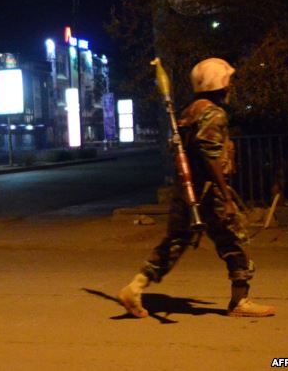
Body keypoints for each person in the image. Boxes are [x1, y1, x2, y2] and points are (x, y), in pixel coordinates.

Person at [118, 58, 276, 318]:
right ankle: (240, 300)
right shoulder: (213, 113)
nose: (230, 86)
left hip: (187, 190)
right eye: (228, 81)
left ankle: (135, 287)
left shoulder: (189, 111)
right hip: (208, 192)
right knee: (234, 240)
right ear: (220, 83)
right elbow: (210, 155)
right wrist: (226, 196)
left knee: (176, 241)